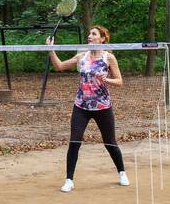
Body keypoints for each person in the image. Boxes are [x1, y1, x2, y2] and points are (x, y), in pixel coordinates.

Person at [47, 25, 129, 193]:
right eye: (89, 34)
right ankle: (69, 180)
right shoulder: (81, 56)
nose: (89, 36)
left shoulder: (109, 58)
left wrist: (107, 80)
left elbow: (120, 81)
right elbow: (60, 66)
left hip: (102, 106)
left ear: (102, 38)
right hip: (81, 106)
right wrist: (51, 49)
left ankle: (122, 172)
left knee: (110, 143)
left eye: (93, 34)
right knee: (74, 141)